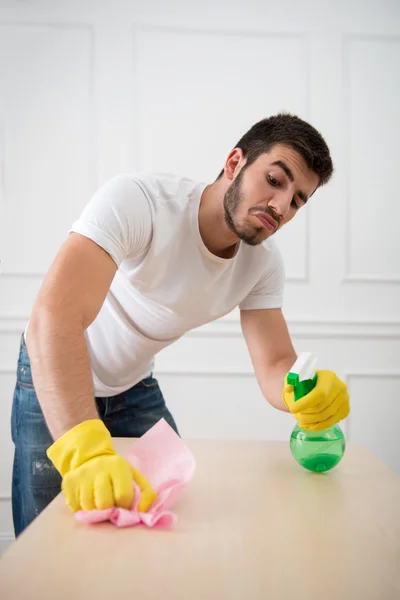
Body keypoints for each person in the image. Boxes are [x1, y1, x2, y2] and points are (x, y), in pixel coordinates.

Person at [11, 113, 350, 537]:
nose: (281, 206)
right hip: (52, 374)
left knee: (166, 517)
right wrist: (85, 453)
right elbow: (55, 318)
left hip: (133, 387)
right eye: (276, 180)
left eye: (298, 200)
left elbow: (275, 362)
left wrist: (302, 389)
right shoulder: (139, 202)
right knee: (46, 537)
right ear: (234, 163)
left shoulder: (261, 265)